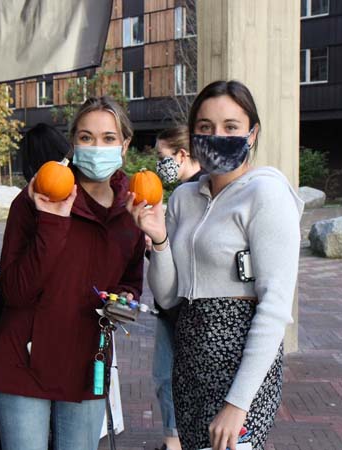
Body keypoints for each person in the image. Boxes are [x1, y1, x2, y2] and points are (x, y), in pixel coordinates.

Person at [128, 80, 303, 450]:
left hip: (241, 371)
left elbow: (274, 307)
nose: (216, 135)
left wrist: (238, 404)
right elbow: (169, 295)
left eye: (231, 127)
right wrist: (159, 239)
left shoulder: (267, 193)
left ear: (252, 134)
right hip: (190, 363)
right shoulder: (184, 198)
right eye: (205, 128)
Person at [0, 96, 145, 450]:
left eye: (108, 138)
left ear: (125, 144)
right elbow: (15, 291)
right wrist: (54, 222)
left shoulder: (132, 205)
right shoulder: (37, 197)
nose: (96, 147)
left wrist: (127, 298)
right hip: (25, 358)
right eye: (86, 138)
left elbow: (131, 280)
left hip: (88, 360)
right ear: (73, 142)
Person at [151, 125, 203, 450]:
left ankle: (174, 443)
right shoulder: (187, 192)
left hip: (180, 310)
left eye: (162, 157)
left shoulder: (194, 195)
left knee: (168, 378)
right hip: (174, 308)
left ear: (182, 155)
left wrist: (159, 244)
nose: (159, 165)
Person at [0, 123, 71, 299]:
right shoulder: (76, 193)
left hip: (35, 303)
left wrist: (4, 283)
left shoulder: (25, 201)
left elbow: (11, 259)